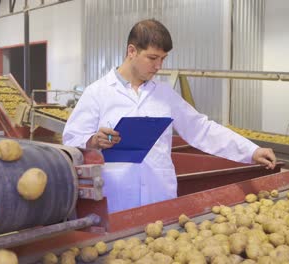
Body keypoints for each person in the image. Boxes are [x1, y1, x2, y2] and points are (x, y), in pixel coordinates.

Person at [63, 19, 276, 213]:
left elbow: (201, 129)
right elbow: (71, 141)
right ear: (131, 51)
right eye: (152, 58)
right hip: (118, 199)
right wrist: (94, 140)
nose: (158, 66)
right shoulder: (97, 92)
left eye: (163, 59)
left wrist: (251, 150)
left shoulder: (164, 95)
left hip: (159, 197)